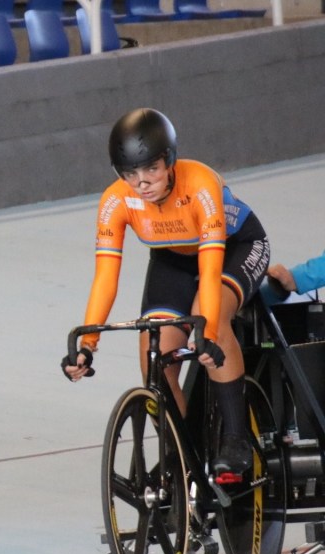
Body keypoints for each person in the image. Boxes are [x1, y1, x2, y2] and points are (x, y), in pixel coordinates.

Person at [61, 108, 270, 482]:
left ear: (169, 161)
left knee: (210, 317)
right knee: (153, 356)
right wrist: (87, 344)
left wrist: (206, 333)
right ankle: (183, 457)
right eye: (130, 174)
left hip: (233, 248)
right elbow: (105, 278)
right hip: (171, 257)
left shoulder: (200, 184)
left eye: (152, 170)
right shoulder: (115, 201)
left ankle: (236, 440)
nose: (142, 183)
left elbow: (210, 271)